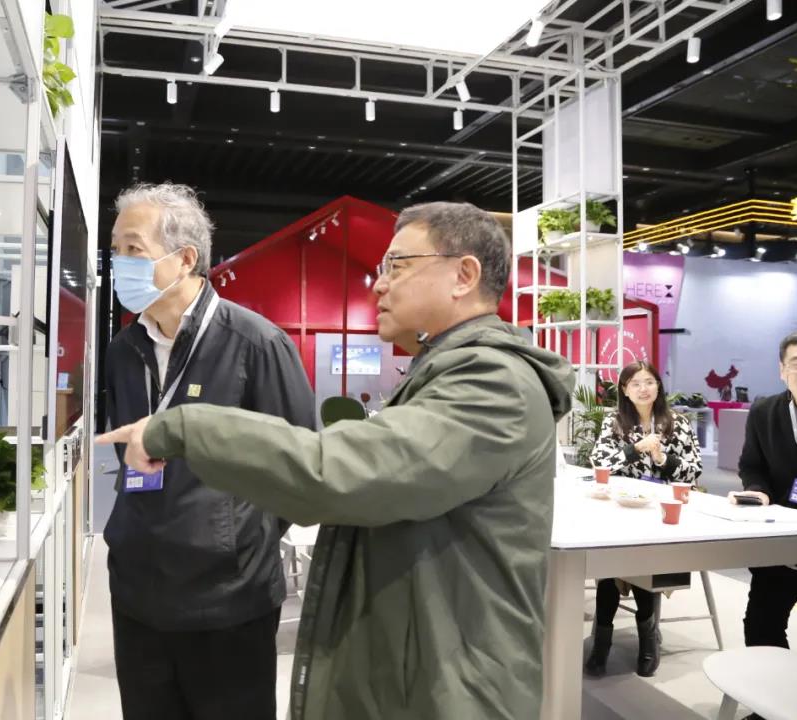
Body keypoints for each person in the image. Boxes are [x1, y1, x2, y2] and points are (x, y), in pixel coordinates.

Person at [99, 201, 575, 720]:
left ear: (464, 275)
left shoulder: (494, 384)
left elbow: (331, 470)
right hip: (413, 665)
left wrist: (182, 430)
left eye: (397, 266)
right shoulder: (441, 374)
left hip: (449, 681)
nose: (379, 284)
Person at [102, 183, 315, 720]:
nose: (119, 262)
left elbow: (302, 464)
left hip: (228, 599)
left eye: (134, 249)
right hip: (137, 591)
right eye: (116, 249)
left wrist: (235, 533)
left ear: (185, 258)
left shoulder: (256, 344)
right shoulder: (123, 350)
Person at [586, 361, 702, 677]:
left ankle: (647, 639)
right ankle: (603, 641)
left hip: (662, 512)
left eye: (649, 382)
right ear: (624, 390)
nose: (643, 388)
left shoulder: (677, 423)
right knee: (610, 565)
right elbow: (600, 462)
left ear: (658, 386)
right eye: (635, 383)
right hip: (621, 509)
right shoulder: (614, 422)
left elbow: (693, 471)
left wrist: (662, 458)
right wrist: (636, 449)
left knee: (643, 562)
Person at [734, 329, 797, 650]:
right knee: (761, 625)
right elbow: (751, 465)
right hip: (786, 534)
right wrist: (757, 490)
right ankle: (776, 683)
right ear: (782, 370)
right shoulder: (764, 412)